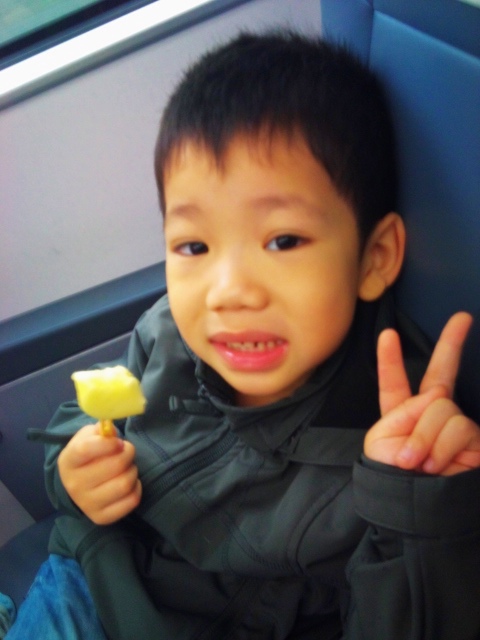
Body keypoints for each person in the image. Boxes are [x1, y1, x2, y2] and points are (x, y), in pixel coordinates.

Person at [4, 31, 480, 640]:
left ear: (374, 258)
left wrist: (411, 512)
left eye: (282, 240)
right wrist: (73, 471)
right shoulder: (166, 333)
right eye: (193, 246)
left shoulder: (397, 443)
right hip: (95, 581)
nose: (228, 291)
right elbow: (84, 419)